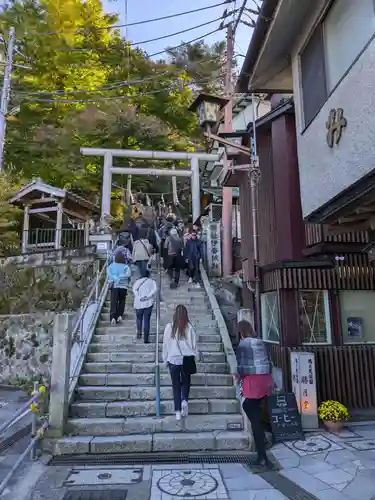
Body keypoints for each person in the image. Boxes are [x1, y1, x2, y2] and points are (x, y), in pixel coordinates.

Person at [235, 320, 273, 467]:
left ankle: (262, 454)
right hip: (265, 380)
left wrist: (237, 377)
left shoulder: (243, 345)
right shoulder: (260, 342)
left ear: (241, 331)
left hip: (252, 381)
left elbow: (241, 368)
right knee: (254, 410)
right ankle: (262, 450)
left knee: (251, 412)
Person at [162, 305, 198, 420]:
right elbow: (194, 345)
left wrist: (165, 359)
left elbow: (165, 344)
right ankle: (185, 401)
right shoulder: (189, 327)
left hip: (173, 360)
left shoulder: (170, 327)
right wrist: (195, 356)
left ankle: (177, 411)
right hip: (186, 359)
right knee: (186, 382)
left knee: (176, 386)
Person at [133, 269, 157, 343]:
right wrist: (148, 296)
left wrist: (140, 297)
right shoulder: (152, 282)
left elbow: (134, 290)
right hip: (148, 303)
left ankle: (139, 333)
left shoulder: (137, 282)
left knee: (139, 318)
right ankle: (146, 338)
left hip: (139, 303)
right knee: (146, 320)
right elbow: (155, 290)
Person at [107, 253, 132, 324]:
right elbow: (128, 275)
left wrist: (115, 278)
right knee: (122, 301)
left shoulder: (111, 266)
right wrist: (122, 278)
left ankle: (112, 317)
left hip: (115, 286)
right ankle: (119, 315)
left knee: (113, 301)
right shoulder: (126, 266)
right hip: (123, 286)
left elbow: (109, 274)